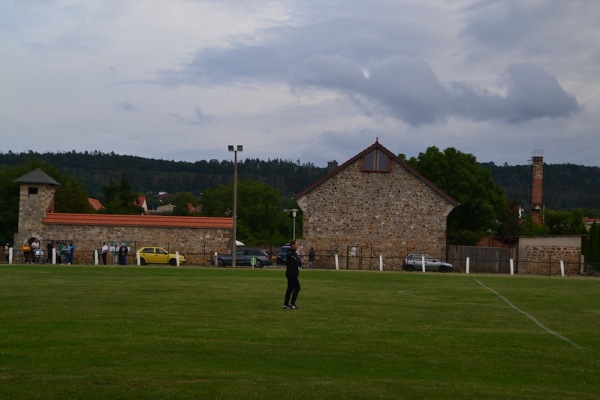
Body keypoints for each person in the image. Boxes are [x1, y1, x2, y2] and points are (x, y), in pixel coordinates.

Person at [282, 240, 302, 309]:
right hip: (291, 274)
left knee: (290, 289)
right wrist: (298, 261)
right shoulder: (289, 253)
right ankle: (292, 304)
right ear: (292, 245)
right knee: (297, 287)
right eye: (296, 245)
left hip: (294, 273)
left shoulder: (294, 253)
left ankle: (285, 304)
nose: (297, 246)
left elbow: (299, 263)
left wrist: (298, 261)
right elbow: (296, 262)